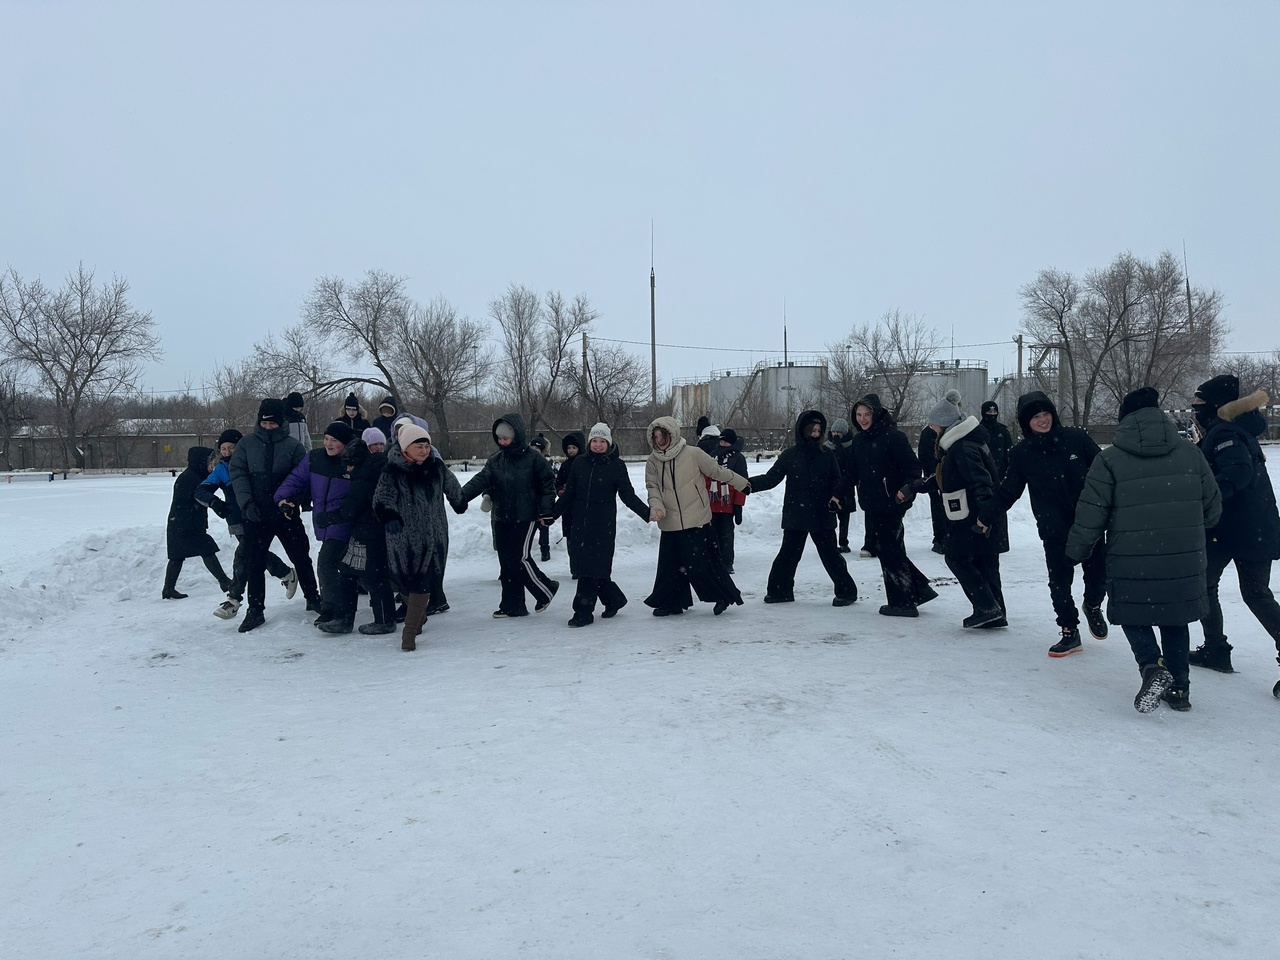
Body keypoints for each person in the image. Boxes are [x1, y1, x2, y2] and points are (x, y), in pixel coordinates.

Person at [1066, 387, 1221, 713]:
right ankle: (1179, 688)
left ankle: (1152, 666)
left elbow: (1092, 512)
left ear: (1124, 420)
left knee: (1133, 612)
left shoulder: (1108, 460)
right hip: (1183, 557)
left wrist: (1077, 550)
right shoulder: (1192, 454)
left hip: (1131, 557)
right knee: (1175, 619)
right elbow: (1213, 509)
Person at [978, 391, 1106, 657]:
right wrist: (987, 516)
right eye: (1035, 417)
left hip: (1088, 522)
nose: (1042, 420)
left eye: (1046, 414)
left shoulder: (1076, 439)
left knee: (1098, 575)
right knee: (1059, 582)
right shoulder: (1022, 453)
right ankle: (1069, 630)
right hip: (1053, 527)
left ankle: (1093, 605)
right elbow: (1008, 490)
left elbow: (1105, 471)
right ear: (1027, 422)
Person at [1188, 374, 1280, 697]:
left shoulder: (1225, 431)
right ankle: (1215, 648)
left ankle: (1215, 647)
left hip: (1243, 528)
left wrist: (1208, 499)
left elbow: (1237, 472)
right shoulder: (1232, 429)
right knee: (1205, 583)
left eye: (1199, 405)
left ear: (1214, 407)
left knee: (1254, 593)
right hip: (1242, 527)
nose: (1194, 410)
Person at [906, 402, 1007, 629]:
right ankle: (995, 611)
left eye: (933, 426)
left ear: (944, 424)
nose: (932, 430)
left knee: (957, 557)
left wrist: (984, 519)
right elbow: (943, 478)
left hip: (974, 517)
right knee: (985, 563)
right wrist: (915, 486)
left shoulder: (962, 448)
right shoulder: (965, 444)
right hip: (981, 515)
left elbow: (981, 483)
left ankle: (987, 607)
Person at [229, 398, 321, 632]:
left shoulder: (293, 446)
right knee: (255, 563)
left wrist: (293, 502)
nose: (268, 426)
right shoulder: (246, 445)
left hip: (285, 513)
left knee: (301, 557)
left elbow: (302, 479)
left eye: (273, 423)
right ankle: (255, 610)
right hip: (256, 514)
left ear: (281, 422)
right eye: (264, 422)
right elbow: (238, 475)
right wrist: (246, 503)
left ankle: (313, 596)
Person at [643, 415, 749, 617]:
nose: (659, 440)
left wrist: (741, 483)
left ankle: (722, 596)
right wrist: (656, 507)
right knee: (671, 566)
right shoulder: (653, 461)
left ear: (672, 434)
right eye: (655, 436)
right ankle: (672, 602)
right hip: (669, 522)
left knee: (701, 564)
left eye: (663, 435)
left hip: (696, 519)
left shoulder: (693, 453)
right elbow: (653, 488)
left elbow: (717, 471)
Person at [749, 410, 857, 606]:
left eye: (819, 430)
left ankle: (847, 592)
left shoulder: (827, 455)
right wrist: (747, 485)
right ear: (802, 430)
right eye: (812, 430)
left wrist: (836, 497)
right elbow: (771, 478)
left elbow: (837, 480)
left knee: (831, 555)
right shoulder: (790, 455)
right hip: (796, 514)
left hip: (822, 513)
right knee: (788, 555)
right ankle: (780, 591)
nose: (815, 434)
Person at [373, 425, 466, 650]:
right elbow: (381, 498)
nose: (424, 451)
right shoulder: (392, 470)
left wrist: (458, 502)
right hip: (403, 537)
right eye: (419, 446)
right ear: (406, 447)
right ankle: (418, 615)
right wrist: (389, 515)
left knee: (423, 582)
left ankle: (409, 633)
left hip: (434, 535)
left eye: (427, 446)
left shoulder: (436, 467)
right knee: (404, 582)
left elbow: (453, 487)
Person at [459, 413, 559, 618]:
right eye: (499, 438)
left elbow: (548, 485)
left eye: (506, 438)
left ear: (517, 435)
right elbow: (481, 480)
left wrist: (546, 511)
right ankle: (512, 605)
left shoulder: (534, 458)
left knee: (519, 558)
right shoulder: (496, 460)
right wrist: (461, 496)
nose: (502, 442)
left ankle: (546, 589)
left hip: (526, 516)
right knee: (506, 561)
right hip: (502, 516)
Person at [554, 422, 650, 626]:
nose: (598, 445)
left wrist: (647, 513)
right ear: (589, 443)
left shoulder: (617, 466)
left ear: (609, 443)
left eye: (602, 441)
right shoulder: (579, 463)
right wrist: (551, 515)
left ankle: (583, 612)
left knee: (590, 570)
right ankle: (614, 599)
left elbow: (627, 495)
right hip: (580, 524)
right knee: (589, 569)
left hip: (602, 526)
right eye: (594, 441)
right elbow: (569, 494)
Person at [850, 394, 936, 618]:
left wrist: (907, 490)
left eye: (867, 414)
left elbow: (912, 467)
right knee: (890, 550)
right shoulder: (859, 441)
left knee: (890, 550)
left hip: (892, 501)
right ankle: (918, 590)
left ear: (876, 414)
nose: (863, 419)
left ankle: (903, 602)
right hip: (871, 504)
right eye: (859, 415)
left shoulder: (893, 437)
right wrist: (839, 494)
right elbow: (851, 472)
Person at [196, 429, 295, 620]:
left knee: (243, 557)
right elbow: (201, 491)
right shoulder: (221, 470)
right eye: (223, 449)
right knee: (255, 554)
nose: (227, 452)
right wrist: (215, 502)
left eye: (231, 448)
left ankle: (233, 600)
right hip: (236, 522)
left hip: (256, 518)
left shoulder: (251, 464)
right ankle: (286, 573)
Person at [273, 421, 357, 633]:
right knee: (345, 568)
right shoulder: (314, 458)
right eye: (327, 439)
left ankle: (332, 610)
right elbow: (295, 480)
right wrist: (283, 498)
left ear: (345, 444)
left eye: (334, 441)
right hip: (324, 522)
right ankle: (340, 609)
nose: (328, 444)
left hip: (345, 521)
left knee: (328, 564)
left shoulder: (353, 461)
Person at [328, 438, 397, 636]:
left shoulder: (364, 478)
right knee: (348, 572)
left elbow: (350, 510)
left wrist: (328, 518)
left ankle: (384, 620)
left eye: (349, 465)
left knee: (375, 578)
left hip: (370, 534)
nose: (347, 470)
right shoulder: (376, 470)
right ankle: (344, 619)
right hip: (369, 533)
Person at [163, 446, 231, 599]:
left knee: (177, 556)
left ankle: (168, 589)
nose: (211, 465)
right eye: (209, 461)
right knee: (205, 549)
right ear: (200, 462)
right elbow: (186, 501)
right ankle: (224, 581)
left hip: (183, 523)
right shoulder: (189, 478)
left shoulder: (196, 476)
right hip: (185, 524)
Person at [918, 390, 961, 555]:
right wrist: (932, 474)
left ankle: (951, 537)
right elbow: (924, 455)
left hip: (948, 479)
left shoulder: (956, 435)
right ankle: (940, 538)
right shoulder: (928, 433)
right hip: (935, 477)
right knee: (938, 508)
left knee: (953, 508)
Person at [710, 428, 749, 573]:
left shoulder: (738, 458)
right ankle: (714, 561)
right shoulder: (712, 456)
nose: (722, 443)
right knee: (712, 534)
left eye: (725, 441)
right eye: (721, 440)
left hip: (728, 503)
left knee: (726, 534)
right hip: (712, 503)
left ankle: (727, 562)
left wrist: (739, 505)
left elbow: (742, 482)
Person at [824, 418, 856, 553]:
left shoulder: (851, 446)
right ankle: (829, 543)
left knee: (844, 516)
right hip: (830, 485)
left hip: (845, 486)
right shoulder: (826, 447)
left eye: (839, 432)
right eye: (834, 431)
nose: (835, 434)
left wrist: (839, 445)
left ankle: (843, 542)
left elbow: (846, 463)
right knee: (829, 516)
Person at [556, 431, 586, 570]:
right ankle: (574, 567)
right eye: (569, 448)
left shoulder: (585, 463)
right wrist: (560, 490)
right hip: (567, 508)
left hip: (582, 507)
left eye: (574, 448)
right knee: (570, 538)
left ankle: (583, 565)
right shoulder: (565, 466)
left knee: (582, 538)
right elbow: (558, 482)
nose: (571, 451)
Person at [530, 433, 554, 562]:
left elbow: (551, 483)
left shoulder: (547, 462)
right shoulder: (527, 461)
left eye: (537, 448)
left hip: (542, 500)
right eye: (532, 447)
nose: (535, 450)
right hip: (529, 500)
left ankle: (545, 549)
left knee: (543, 527)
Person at [980, 401, 1013, 481]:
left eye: (994, 412)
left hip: (1000, 474)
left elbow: (1009, 453)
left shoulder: (1003, 431)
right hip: (982, 473)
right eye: (989, 412)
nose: (992, 414)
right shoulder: (978, 430)